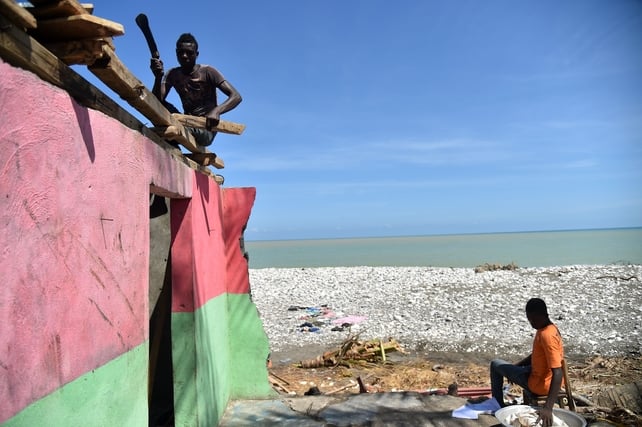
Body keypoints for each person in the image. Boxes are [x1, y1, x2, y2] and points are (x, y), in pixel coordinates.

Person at [150, 33, 242, 146]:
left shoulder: (208, 72)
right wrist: (158, 78)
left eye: (189, 53)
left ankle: (173, 137)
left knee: (176, 126)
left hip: (205, 128)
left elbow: (236, 96)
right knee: (157, 106)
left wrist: (216, 111)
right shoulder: (172, 74)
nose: (184, 56)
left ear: (196, 54)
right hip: (185, 121)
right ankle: (172, 146)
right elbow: (156, 100)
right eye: (181, 52)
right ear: (176, 53)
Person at [490, 298, 564, 427]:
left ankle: (498, 406)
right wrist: (518, 366)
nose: (531, 323)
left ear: (540, 315)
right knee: (511, 367)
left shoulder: (547, 336)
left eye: (532, 319)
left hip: (539, 384)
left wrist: (548, 408)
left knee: (495, 364)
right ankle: (500, 400)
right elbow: (537, 355)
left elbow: (557, 372)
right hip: (540, 374)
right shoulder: (551, 328)